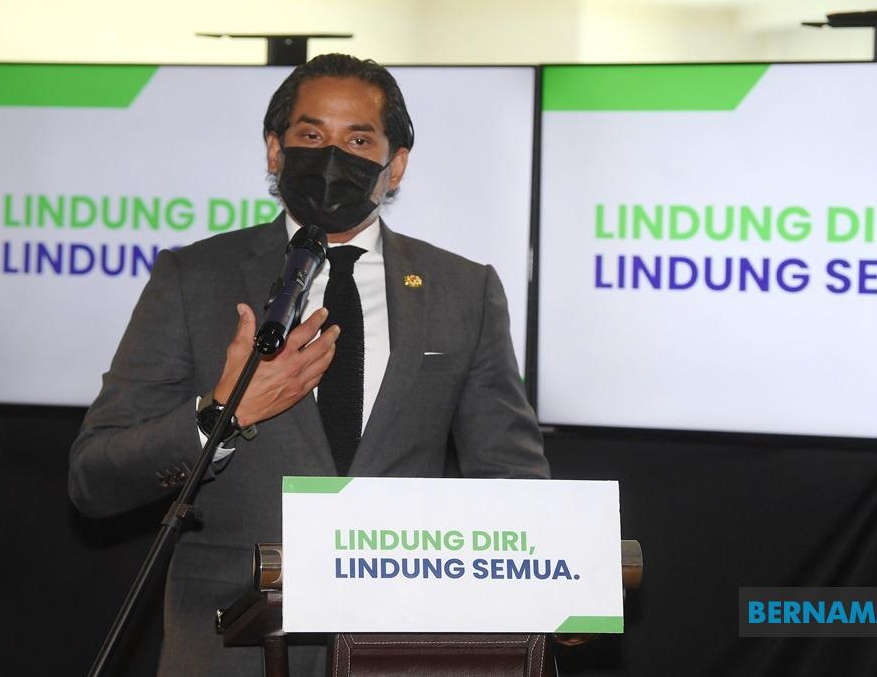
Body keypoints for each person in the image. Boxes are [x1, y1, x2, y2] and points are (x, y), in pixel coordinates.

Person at [69, 53, 549, 676]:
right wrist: (223, 416)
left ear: (395, 164)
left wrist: (552, 597)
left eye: (358, 141)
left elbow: (511, 477)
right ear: (276, 150)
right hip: (229, 647)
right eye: (312, 137)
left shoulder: (463, 290)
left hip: (403, 646)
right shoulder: (193, 278)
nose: (332, 159)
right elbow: (95, 478)